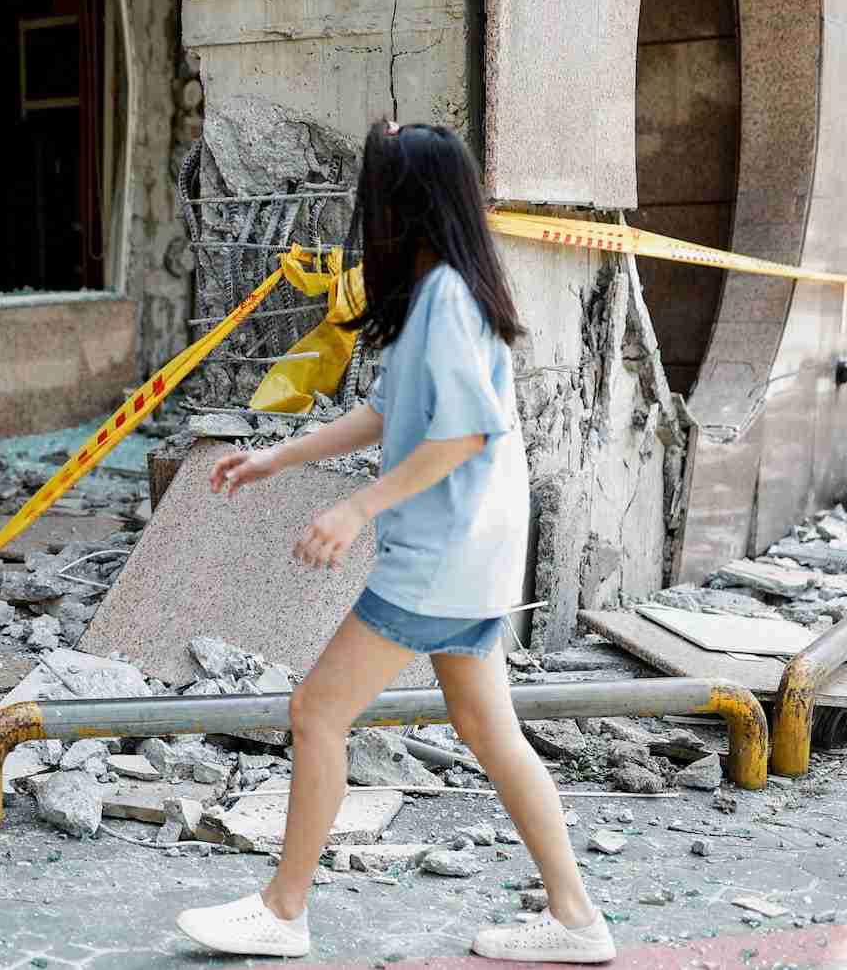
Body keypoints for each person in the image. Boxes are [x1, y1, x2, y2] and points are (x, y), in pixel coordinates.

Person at [174, 122, 615, 964]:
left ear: (404, 206)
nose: (362, 209)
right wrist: (278, 457)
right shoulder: (440, 294)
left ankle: (283, 908)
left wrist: (356, 511)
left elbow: (462, 436)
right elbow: (389, 414)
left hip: (441, 557)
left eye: (374, 194)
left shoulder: (446, 297)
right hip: (470, 556)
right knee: (490, 731)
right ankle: (576, 916)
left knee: (317, 711)